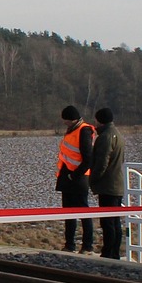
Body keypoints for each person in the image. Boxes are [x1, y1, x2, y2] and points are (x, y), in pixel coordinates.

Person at [81, 107, 128, 259]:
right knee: (115, 221)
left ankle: (109, 253)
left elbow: (102, 162)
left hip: (108, 185)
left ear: (100, 120)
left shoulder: (105, 137)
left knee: (108, 221)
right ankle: (114, 252)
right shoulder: (118, 135)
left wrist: (93, 179)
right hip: (117, 184)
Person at [54, 105, 95, 253]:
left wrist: (74, 175)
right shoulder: (74, 130)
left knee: (83, 211)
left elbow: (88, 158)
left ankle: (87, 245)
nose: (64, 122)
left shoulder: (83, 130)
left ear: (71, 119)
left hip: (78, 178)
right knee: (69, 213)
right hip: (69, 178)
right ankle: (70, 244)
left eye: (65, 119)